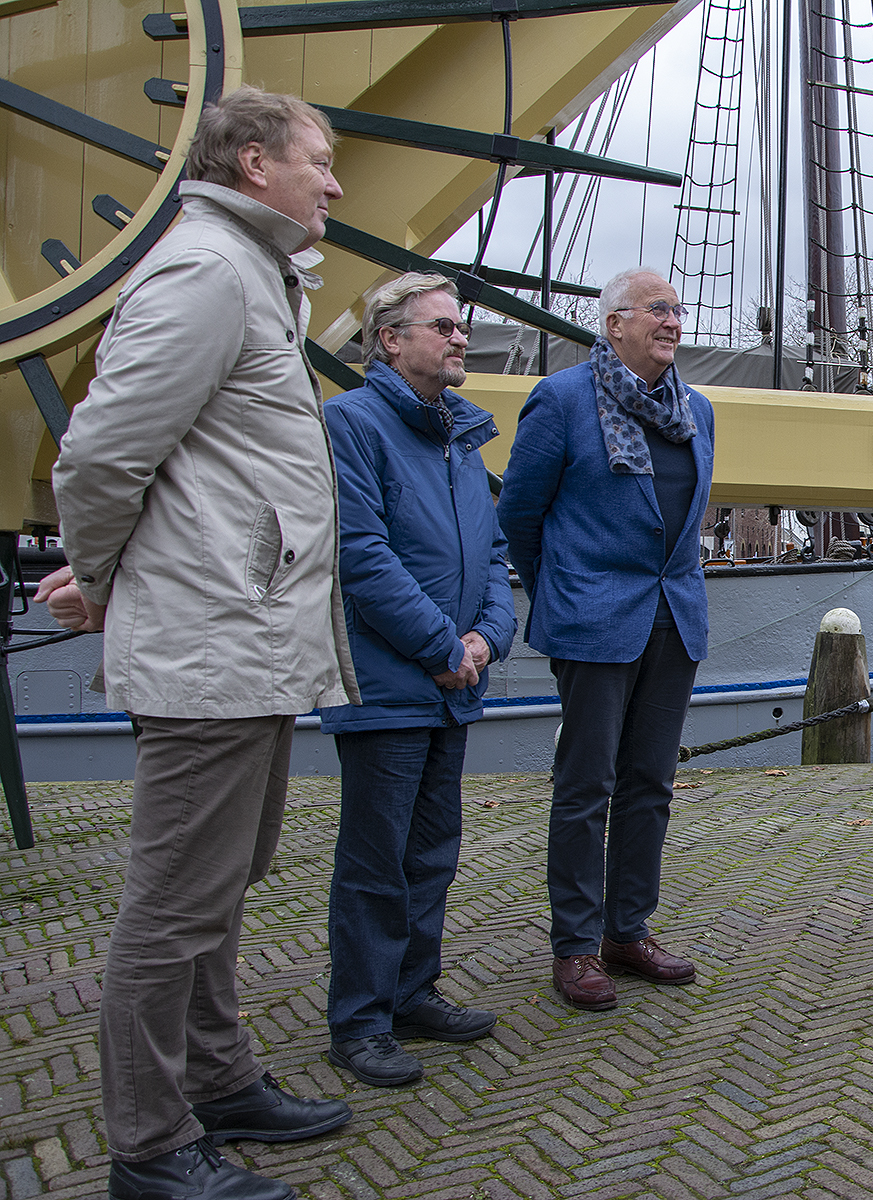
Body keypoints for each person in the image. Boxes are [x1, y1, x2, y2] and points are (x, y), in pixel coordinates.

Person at [36, 88, 358, 1200]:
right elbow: (97, 457)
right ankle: (150, 1145)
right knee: (173, 905)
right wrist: (112, 583)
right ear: (257, 161)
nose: (336, 181)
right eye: (321, 160)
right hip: (211, 642)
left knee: (219, 885)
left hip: (245, 637)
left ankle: (221, 1083)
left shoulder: (250, 274)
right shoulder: (208, 272)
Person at [496, 268, 715, 1011]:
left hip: (674, 617)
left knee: (650, 783)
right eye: (658, 309)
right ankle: (576, 946)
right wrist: (565, 586)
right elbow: (520, 517)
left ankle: (628, 930)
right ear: (614, 322)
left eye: (678, 310)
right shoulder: (560, 401)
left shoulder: (698, 411)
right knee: (586, 786)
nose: (673, 320)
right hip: (594, 619)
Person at [320, 273, 517, 1087]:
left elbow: (495, 560)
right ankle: (359, 1022)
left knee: (432, 850)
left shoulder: (462, 441)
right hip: (389, 685)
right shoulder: (351, 425)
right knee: (376, 858)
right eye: (442, 326)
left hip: (451, 682)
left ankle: (412, 993)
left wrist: (485, 640)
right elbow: (360, 554)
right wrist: (444, 645)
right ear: (390, 340)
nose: (460, 337)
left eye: (461, 325)